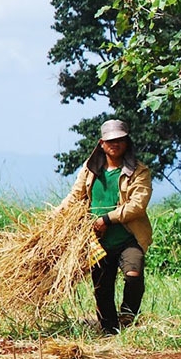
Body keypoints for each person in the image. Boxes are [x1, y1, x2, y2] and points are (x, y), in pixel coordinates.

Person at [60, 119, 153, 335]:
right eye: (110, 141)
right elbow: (75, 197)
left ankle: (128, 315)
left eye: (120, 140)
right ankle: (109, 330)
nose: (115, 144)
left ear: (127, 142)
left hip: (128, 237)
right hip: (97, 240)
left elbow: (137, 205)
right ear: (102, 144)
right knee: (102, 287)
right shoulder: (90, 169)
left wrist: (106, 220)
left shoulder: (139, 171)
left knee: (133, 274)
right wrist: (55, 218)